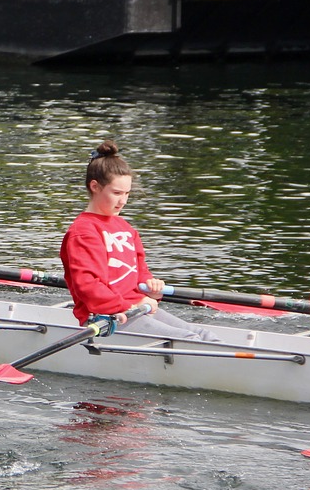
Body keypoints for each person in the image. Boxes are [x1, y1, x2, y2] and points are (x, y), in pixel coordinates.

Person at [60, 141, 219, 342]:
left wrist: (150, 286)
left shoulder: (126, 229)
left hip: (136, 307)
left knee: (205, 335)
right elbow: (88, 286)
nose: (123, 201)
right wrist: (128, 306)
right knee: (189, 338)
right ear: (95, 187)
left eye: (127, 193)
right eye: (116, 193)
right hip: (106, 316)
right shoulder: (83, 232)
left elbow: (139, 270)